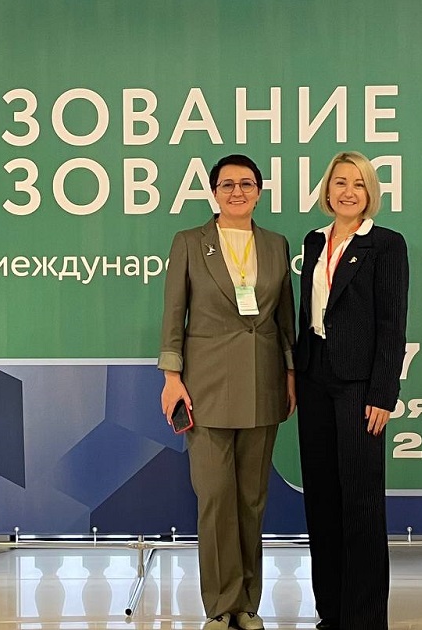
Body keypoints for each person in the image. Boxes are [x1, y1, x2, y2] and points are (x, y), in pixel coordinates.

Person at [159, 154, 297, 630]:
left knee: (251, 501)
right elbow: (173, 313)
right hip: (206, 387)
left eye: (246, 184)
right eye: (227, 185)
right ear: (214, 192)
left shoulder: (276, 244)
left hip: (264, 384)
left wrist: (291, 372)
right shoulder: (189, 242)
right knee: (216, 499)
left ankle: (247, 604)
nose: (237, 192)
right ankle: (220, 605)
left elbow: (285, 318)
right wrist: (171, 376)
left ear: (259, 191)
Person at [295, 151, 409, 630]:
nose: (348, 192)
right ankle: (332, 612)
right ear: (327, 189)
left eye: (358, 184)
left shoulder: (386, 244)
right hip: (314, 378)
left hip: (360, 385)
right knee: (321, 500)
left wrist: (383, 393)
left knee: (360, 502)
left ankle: (363, 619)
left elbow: (392, 324)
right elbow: (307, 314)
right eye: (340, 182)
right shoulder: (314, 241)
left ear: (370, 193)